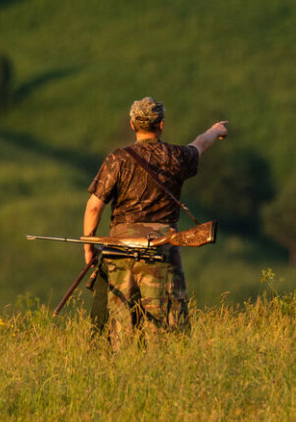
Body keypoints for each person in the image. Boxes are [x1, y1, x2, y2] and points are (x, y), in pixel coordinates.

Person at [82, 96, 228, 346]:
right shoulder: (176, 157)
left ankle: (124, 376)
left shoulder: (117, 159)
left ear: (132, 125)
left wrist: (89, 248)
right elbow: (200, 145)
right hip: (162, 249)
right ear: (161, 124)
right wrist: (216, 130)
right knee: (168, 331)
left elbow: (94, 206)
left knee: (121, 328)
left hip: (118, 250)